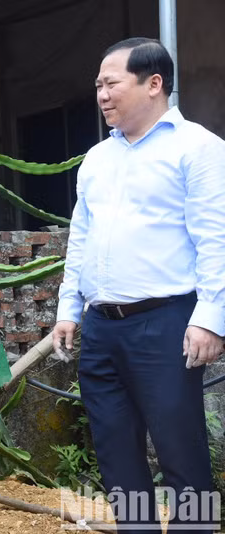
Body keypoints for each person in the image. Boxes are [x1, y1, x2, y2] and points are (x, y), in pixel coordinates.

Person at [53, 38, 225, 533]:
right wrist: (69, 308)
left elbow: (215, 239)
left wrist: (210, 318)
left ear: (154, 84)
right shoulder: (96, 159)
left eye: (111, 83)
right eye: (98, 86)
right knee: (115, 450)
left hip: (166, 321)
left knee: (180, 449)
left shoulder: (198, 148)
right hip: (102, 326)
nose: (102, 94)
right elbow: (79, 239)